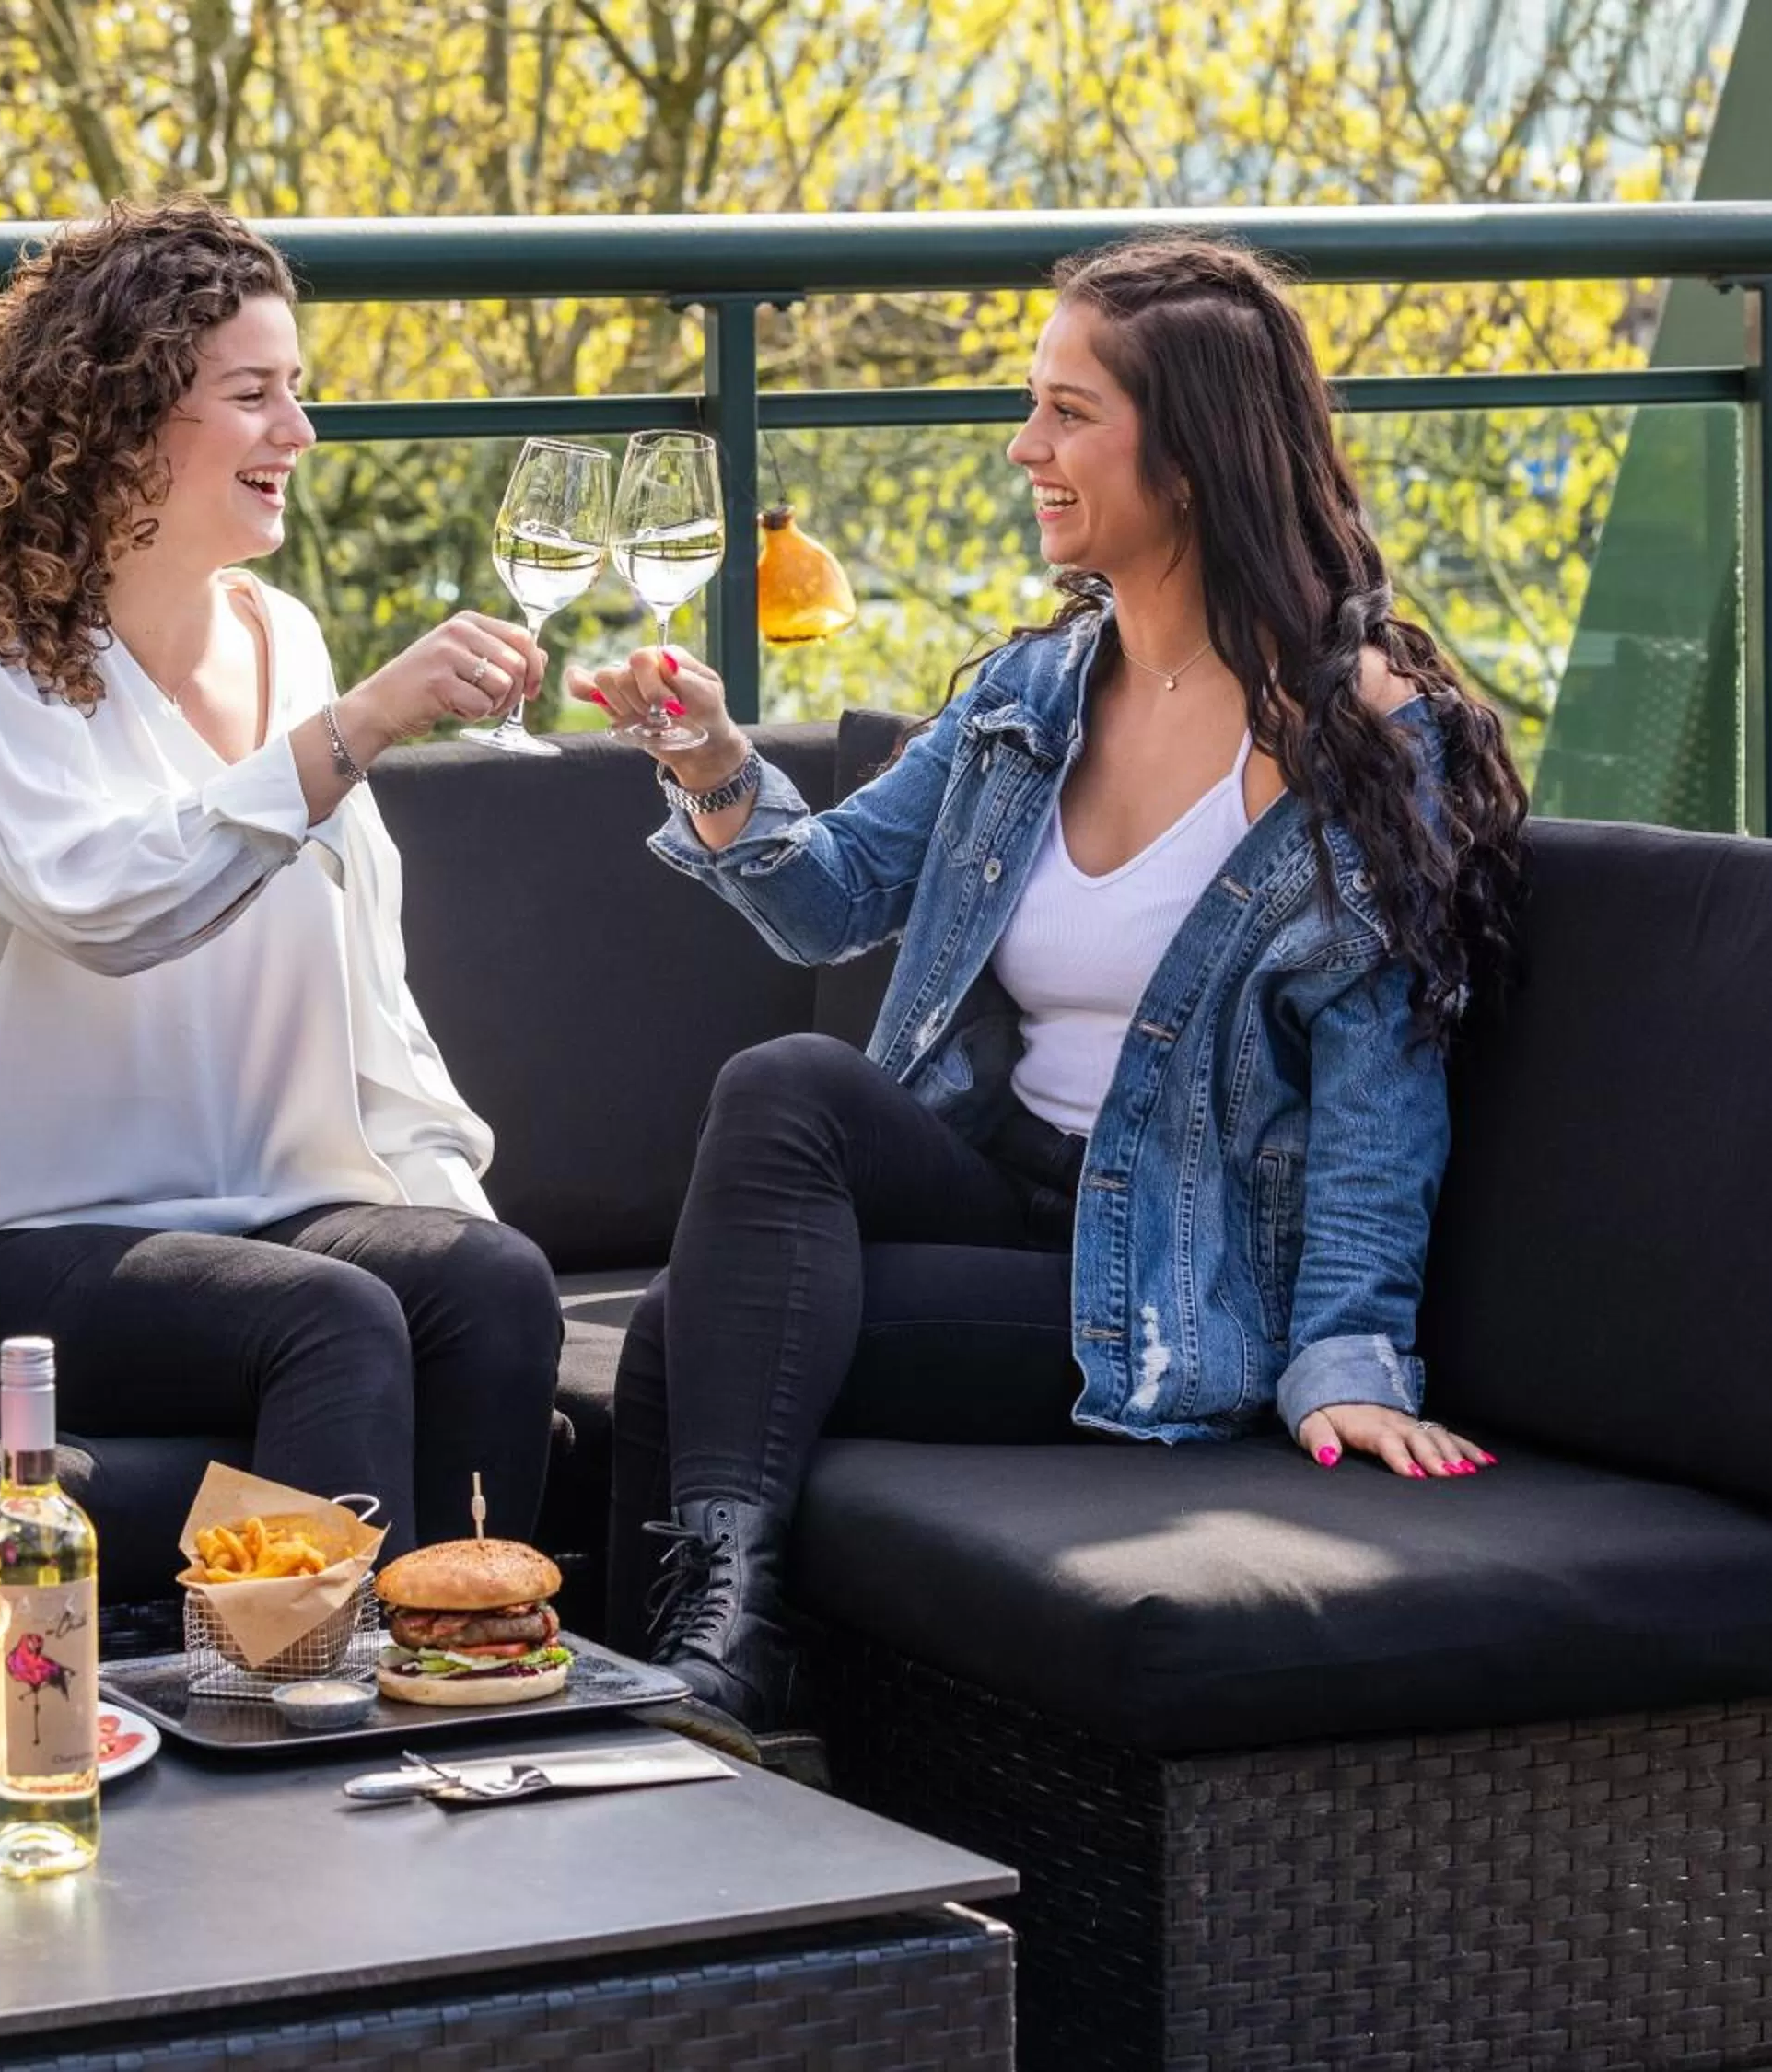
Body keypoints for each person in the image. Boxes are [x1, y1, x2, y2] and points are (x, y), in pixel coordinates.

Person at [575, 231, 1532, 1735]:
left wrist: (1352, 1355)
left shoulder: (1364, 739)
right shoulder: (1040, 693)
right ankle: (710, 1700)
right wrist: (708, 759)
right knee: (788, 1088)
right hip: (996, 1193)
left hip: (1168, 1271)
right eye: (1036, 404)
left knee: (683, 1333)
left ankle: (695, 1711)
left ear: (1198, 454)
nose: (1027, 446)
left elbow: (1382, 1081)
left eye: (1070, 412)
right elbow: (829, 900)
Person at [0, 196, 563, 1554]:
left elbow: (375, 1003)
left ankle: (468, 1704)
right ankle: (301, 1715)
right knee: (330, 1315)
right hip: (10, 1259)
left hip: (294, 1218)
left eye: (297, 391)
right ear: (120, 419)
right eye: (255, 395)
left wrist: (454, 1216)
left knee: (495, 1284)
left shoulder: (285, 637)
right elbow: (105, 903)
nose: (300, 433)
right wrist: (356, 728)